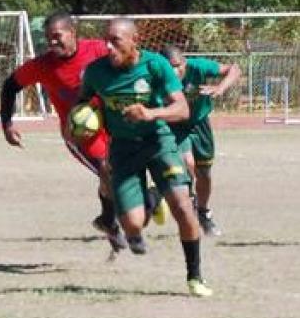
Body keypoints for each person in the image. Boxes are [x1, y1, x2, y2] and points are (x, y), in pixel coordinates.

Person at [80, 18, 212, 297]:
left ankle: (195, 276)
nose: (108, 46)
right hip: (123, 149)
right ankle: (152, 198)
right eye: (106, 40)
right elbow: (84, 104)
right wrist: (81, 119)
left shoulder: (155, 65)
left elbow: (182, 108)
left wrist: (151, 113)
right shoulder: (95, 72)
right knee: (133, 225)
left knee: (183, 208)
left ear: (134, 41)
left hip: (158, 143)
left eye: (115, 41)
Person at [0, 12, 128, 252]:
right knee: (107, 171)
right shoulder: (42, 65)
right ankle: (111, 221)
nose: (52, 42)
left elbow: (128, 61)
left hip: (113, 126)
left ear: (73, 32)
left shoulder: (98, 50)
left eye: (57, 36)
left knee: (124, 172)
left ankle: (109, 217)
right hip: (80, 134)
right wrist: (7, 124)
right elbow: (10, 85)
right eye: (48, 38)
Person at [160, 47, 241, 236]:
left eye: (177, 66)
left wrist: (220, 88)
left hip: (199, 124)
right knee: (187, 163)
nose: (174, 72)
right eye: (169, 67)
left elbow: (234, 68)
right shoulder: (156, 73)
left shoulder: (198, 67)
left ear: (185, 64)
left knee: (204, 172)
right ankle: (183, 201)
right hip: (175, 126)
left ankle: (203, 212)